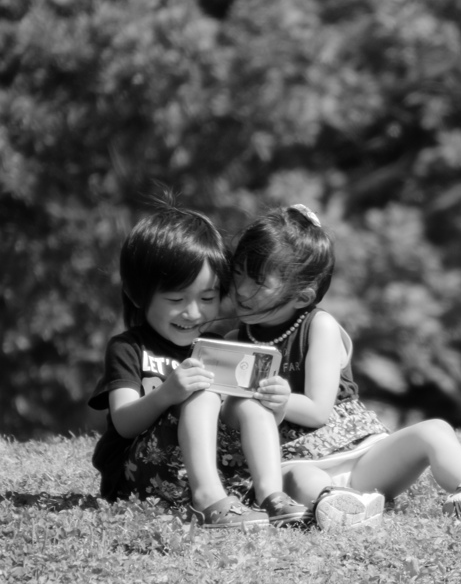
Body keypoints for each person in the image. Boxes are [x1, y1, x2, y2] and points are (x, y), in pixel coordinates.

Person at [228, 204, 461, 529]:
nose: (241, 289)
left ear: (302, 297)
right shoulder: (233, 339)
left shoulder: (318, 327)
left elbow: (317, 410)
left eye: (258, 282)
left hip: (362, 458)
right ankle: (338, 507)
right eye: (239, 272)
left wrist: (281, 400)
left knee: (434, 430)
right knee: (302, 476)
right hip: (291, 461)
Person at [88, 205, 309, 529]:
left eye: (207, 299)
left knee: (248, 402)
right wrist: (168, 393)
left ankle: (270, 497)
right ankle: (208, 499)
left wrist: (274, 403)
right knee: (203, 395)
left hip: (210, 470)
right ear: (138, 295)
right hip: (140, 477)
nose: (193, 313)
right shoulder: (129, 347)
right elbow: (122, 423)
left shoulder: (218, 344)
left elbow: (239, 420)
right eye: (177, 300)